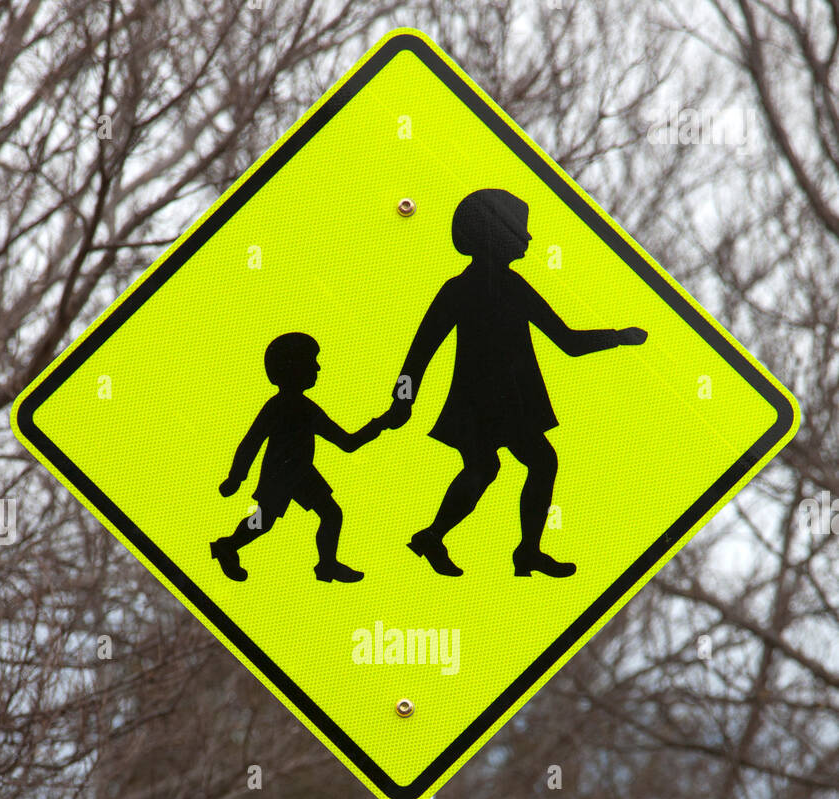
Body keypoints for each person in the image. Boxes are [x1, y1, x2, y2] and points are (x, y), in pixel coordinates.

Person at [389, 188, 648, 577]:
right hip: (486, 403)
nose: (528, 239)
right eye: (520, 230)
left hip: (506, 402)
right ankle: (465, 541)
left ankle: (463, 541)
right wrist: (402, 400)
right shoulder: (467, 288)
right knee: (502, 466)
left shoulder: (507, 285)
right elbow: (421, 350)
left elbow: (568, 342)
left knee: (511, 465)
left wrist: (617, 337)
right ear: (495, 233)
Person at [211, 332, 391, 583]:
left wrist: (381, 424)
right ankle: (228, 546)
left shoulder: (307, 408)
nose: (317, 367)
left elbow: (346, 443)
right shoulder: (280, 406)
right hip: (281, 474)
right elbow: (251, 441)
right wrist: (235, 477)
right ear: (294, 367)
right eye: (312, 361)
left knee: (327, 513)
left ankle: (326, 564)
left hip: (301, 472)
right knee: (264, 521)